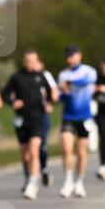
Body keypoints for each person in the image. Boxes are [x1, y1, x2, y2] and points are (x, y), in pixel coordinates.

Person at [2, 50, 50, 200]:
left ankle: (33, 183)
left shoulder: (41, 76)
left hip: (37, 118)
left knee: (34, 149)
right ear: (24, 61)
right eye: (28, 60)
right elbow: (4, 94)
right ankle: (28, 177)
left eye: (33, 61)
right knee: (25, 154)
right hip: (22, 119)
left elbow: (50, 93)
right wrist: (13, 102)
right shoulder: (17, 77)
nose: (30, 63)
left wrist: (49, 103)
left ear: (37, 61)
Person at [57, 45, 96, 197]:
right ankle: (68, 180)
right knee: (67, 149)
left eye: (72, 55)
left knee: (82, 152)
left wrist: (70, 84)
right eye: (67, 56)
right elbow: (62, 95)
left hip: (84, 116)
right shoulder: (63, 74)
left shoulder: (88, 70)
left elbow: (86, 81)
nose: (69, 59)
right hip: (68, 116)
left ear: (79, 55)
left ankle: (80, 181)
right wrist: (62, 93)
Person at [37, 57, 59, 187]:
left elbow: (54, 91)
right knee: (28, 149)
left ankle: (44, 169)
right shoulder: (22, 76)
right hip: (28, 115)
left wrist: (50, 103)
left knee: (41, 144)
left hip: (42, 114)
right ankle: (29, 178)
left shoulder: (46, 75)